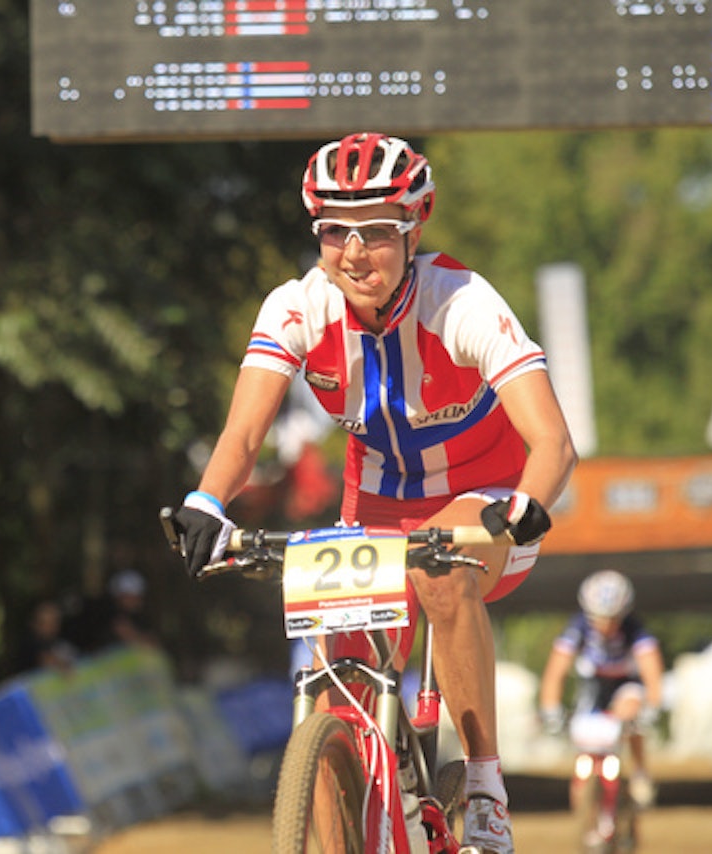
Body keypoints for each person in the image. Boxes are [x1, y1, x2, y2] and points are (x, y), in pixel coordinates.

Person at [168, 132, 578, 854]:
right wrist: (207, 503)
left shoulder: (462, 302)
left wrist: (526, 505)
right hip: (376, 508)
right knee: (332, 692)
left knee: (438, 572)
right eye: (335, 231)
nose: (354, 254)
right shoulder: (298, 308)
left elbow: (553, 441)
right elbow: (242, 437)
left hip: (484, 502)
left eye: (378, 232)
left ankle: (485, 789)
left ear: (414, 226)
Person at [538, 569, 665, 808]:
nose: (605, 625)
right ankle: (585, 795)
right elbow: (555, 672)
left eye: (613, 619)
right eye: (598, 618)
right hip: (594, 686)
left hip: (626, 684)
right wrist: (550, 709)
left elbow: (652, 671)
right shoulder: (577, 628)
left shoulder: (635, 630)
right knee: (583, 730)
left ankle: (639, 772)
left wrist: (653, 705)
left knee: (631, 715)